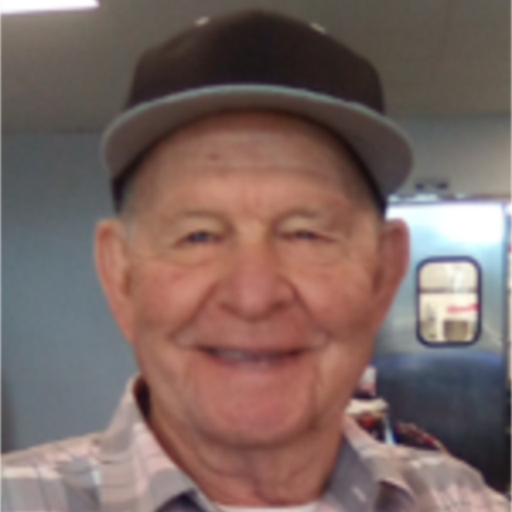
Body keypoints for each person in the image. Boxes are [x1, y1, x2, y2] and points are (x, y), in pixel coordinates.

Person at [0, 10, 509, 512]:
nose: (254, 296)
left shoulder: (462, 501)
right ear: (120, 276)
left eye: (306, 234)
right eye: (198, 236)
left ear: (383, 273)